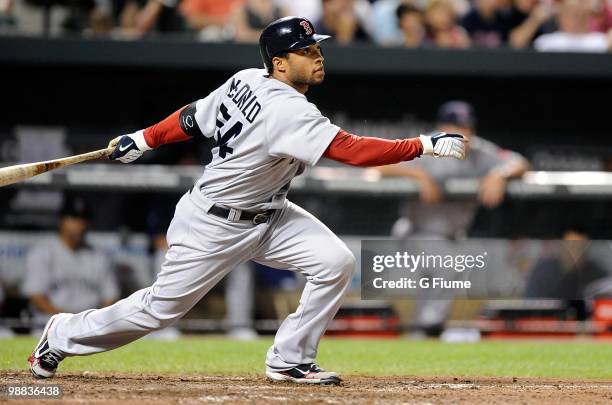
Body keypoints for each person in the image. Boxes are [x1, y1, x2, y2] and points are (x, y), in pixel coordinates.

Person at [28, 16, 467, 385]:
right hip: (214, 223)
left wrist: (145, 137)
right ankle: (63, 333)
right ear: (279, 63)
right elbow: (351, 151)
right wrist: (422, 145)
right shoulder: (286, 108)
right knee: (159, 310)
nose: (317, 56)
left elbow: (188, 118)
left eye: (317, 48)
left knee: (335, 262)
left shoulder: (246, 79)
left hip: (269, 215)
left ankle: (289, 357)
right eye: (306, 51)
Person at [377, 101, 528, 334]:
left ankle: (420, 333)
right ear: (441, 127)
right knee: (447, 267)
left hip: (453, 234)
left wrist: (500, 174)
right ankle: (429, 326)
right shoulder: (427, 145)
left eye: (467, 127)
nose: (463, 132)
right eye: (455, 126)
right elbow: (380, 163)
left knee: (439, 277)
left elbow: (519, 162)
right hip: (416, 230)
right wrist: (417, 174)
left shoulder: (479, 150)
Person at [22, 195, 119, 329]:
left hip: (89, 326)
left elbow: (111, 297)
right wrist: (67, 320)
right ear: (61, 220)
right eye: (73, 218)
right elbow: (36, 296)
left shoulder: (100, 256)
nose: (79, 224)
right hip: (49, 325)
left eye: (83, 219)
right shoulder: (43, 252)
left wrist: (97, 322)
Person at [534, 0, 612, 52]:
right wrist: (534, 20)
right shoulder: (546, 42)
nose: (576, 15)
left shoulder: (602, 41)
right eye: (570, 11)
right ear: (559, 15)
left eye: (579, 11)